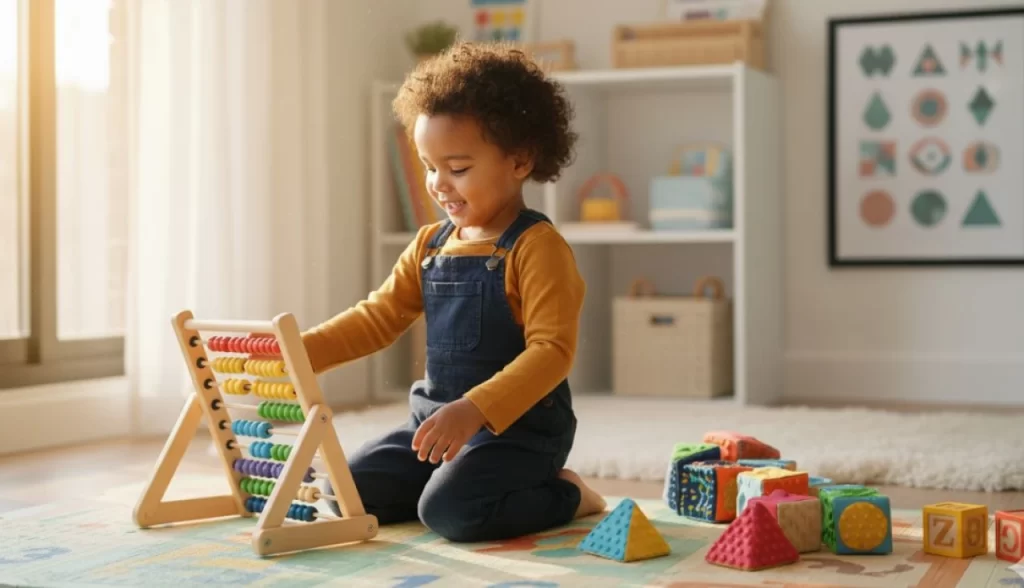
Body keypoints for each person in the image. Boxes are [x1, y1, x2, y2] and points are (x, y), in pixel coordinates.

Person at [300, 41, 605, 543]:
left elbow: (552, 352)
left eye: (458, 169)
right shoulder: (430, 244)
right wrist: (300, 354)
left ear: (520, 160)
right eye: (428, 166)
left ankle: (569, 495)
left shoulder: (537, 248)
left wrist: (475, 409)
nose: (438, 184)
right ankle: (447, 481)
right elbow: (378, 318)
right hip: (435, 426)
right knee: (343, 494)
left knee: (450, 514)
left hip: (517, 435)